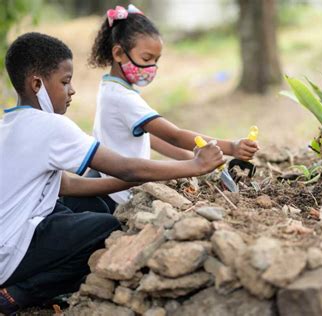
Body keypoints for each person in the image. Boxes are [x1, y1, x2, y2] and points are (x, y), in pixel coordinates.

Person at [0, 32, 224, 315]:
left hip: (8, 235)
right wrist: (195, 166)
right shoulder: (51, 126)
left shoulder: (8, 124)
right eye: (65, 82)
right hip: (9, 254)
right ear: (37, 84)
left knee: (86, 206)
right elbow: (126, 167)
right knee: (106, 228)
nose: (72, 91)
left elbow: (65, 184)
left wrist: (138, 179)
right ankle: (18, 294)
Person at [89, 4, 259, 205]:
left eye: (156, 60)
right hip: (117, 196)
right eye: (146, 58)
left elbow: (152, 139)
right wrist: (231, 147)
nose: (152, 67)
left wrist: (197, 161)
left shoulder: (110, 87)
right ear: (118, 53)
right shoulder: (123, 99)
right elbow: (174, 136)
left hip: (105, 185)